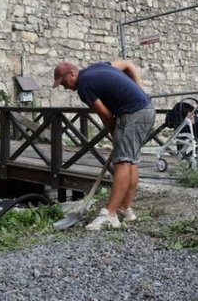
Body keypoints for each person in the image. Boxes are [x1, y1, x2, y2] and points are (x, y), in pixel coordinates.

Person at [53, 60, 155, 231]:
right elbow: (128, 64)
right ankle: (125, 210)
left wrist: (114, 132)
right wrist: (140, 90)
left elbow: (106, 115)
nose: (65, 87)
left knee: (122, 161)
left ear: (71, 73)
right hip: (146, 109)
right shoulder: (97, 67)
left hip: (132, 113)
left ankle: (110, 215)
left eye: (64, 82)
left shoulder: (83, 87)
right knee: (131, 160)